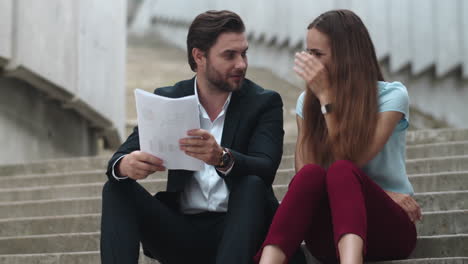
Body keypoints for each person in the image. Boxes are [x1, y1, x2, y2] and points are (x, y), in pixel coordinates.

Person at [100, 10, 290, 264]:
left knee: (252, 184)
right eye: (229, 55)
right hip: (182, 232)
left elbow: (266, 167)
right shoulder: (169, 99)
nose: (241, 64)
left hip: (241, 229)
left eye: (244, 53)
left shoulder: (263, 102)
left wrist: (221, 157)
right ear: (199, 56)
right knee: (116, 187)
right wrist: (126, 165)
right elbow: (119, 158)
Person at [254, 9, 421, 264]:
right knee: (311, 175)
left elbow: (354, 159)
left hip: (388, 229)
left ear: (346, 56)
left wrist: (328, 100)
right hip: (330, 235)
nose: (310, 62)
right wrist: (318, 100)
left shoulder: (391, 97)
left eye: (318, 54)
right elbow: (307, 174)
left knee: (342, 169)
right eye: (308, 52)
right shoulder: (306, 102)